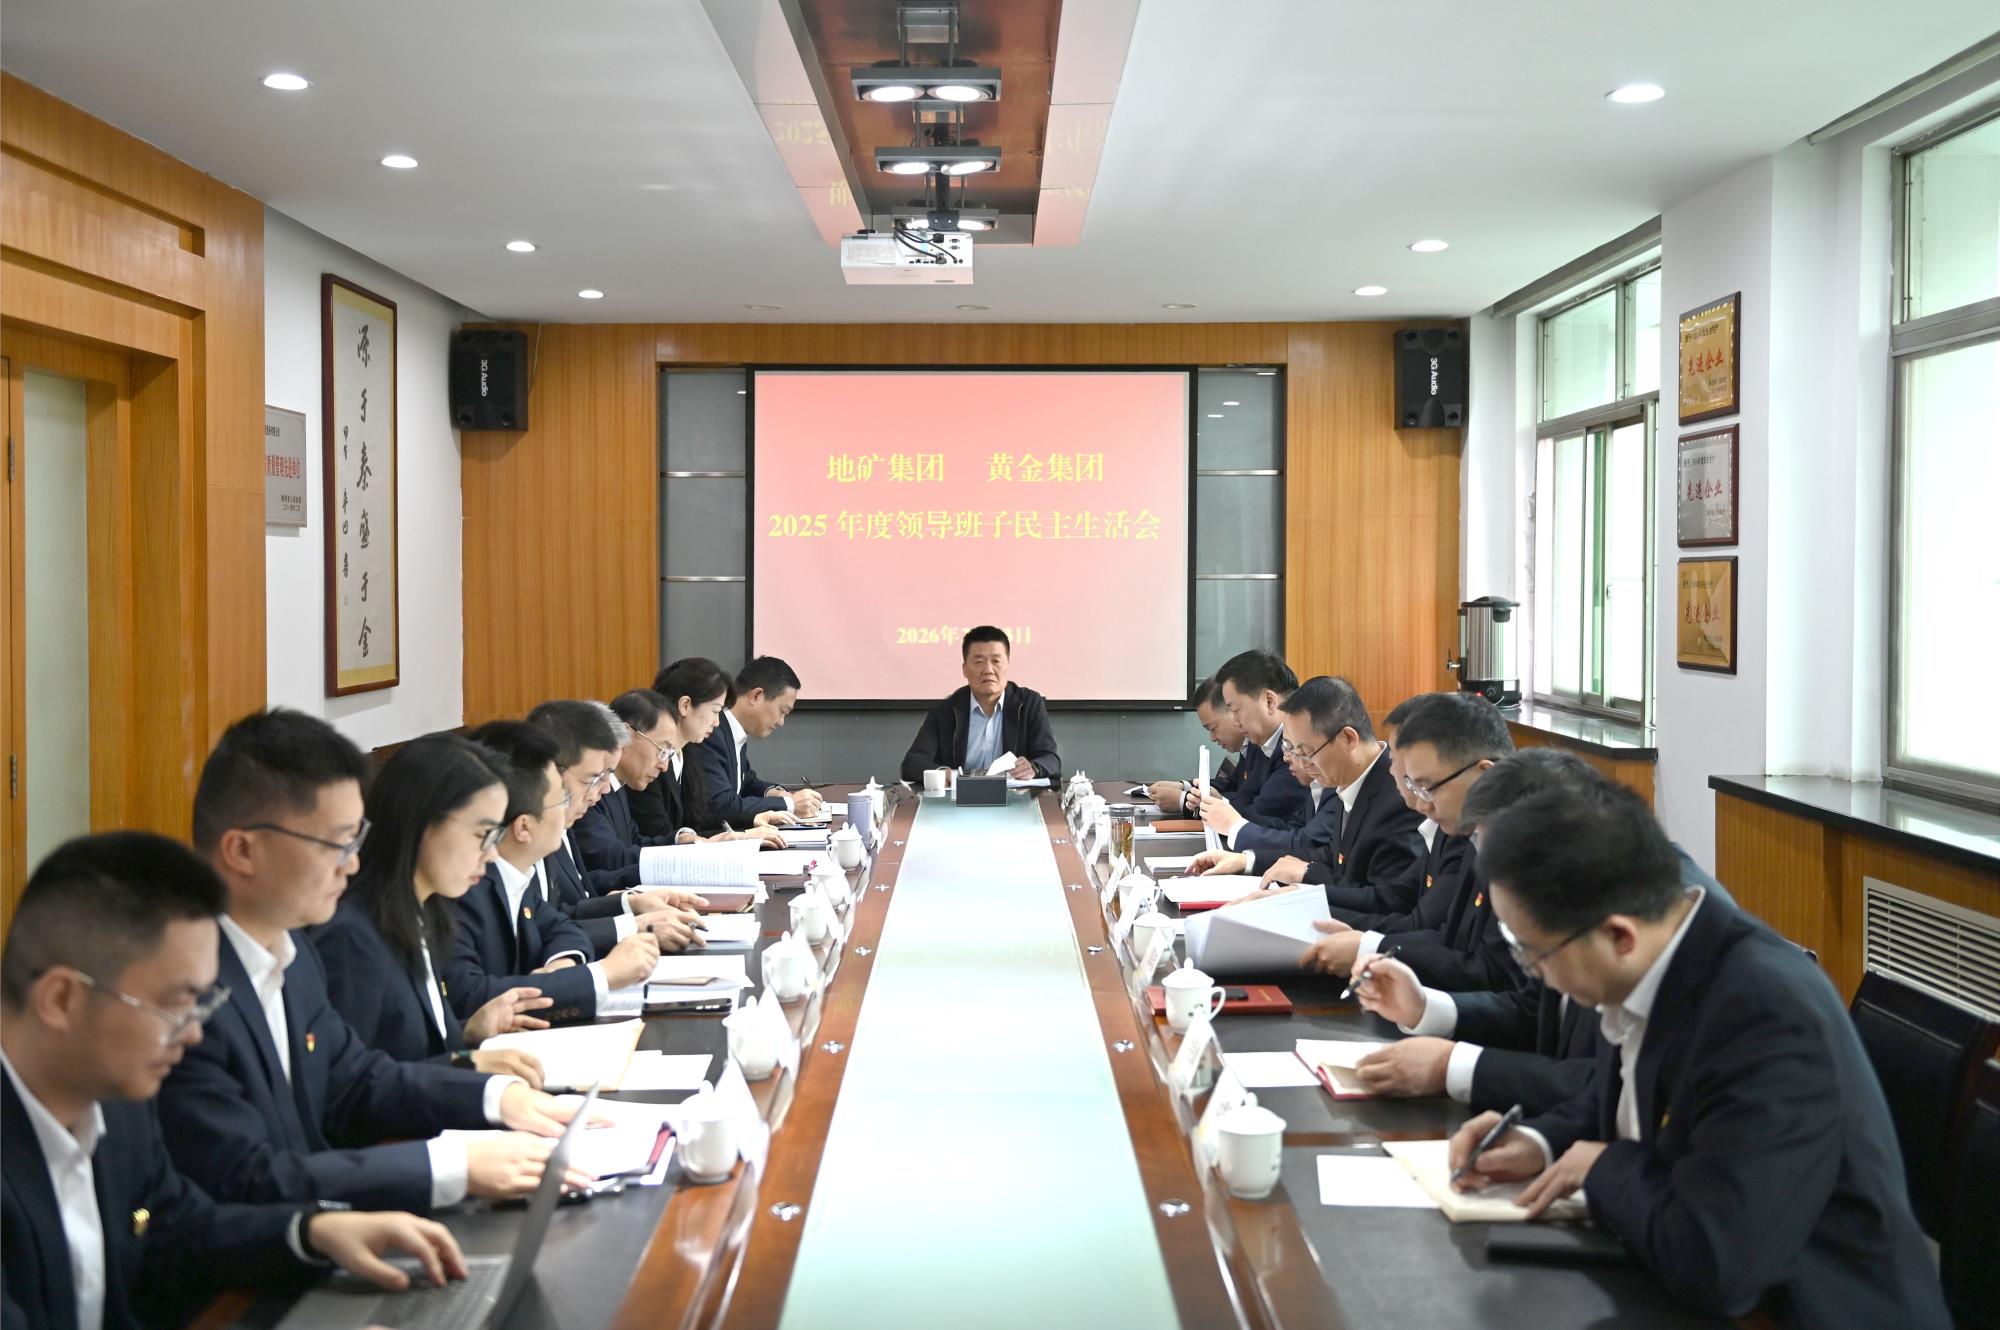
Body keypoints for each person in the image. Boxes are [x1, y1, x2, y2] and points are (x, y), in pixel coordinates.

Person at [1445, 785, 1949, 1329]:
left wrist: (1603, 1167)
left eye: (1532, 953)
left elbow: (1716, 1263)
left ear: (1619, 936)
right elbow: (1630, 1105)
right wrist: (1540, 1141)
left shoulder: (1762, 1013)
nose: (1534, 974)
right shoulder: (1655, 959)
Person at [2, 833, 468, 1329]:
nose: (194, 1032)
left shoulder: (116, 1107)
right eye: (176, 1003)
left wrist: (313, 1232)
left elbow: (182, 1229)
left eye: (203, 1003)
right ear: (62, 1000)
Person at [160, 709, 587, 1214]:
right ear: (242, 851)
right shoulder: (185, 996)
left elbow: (356, 1078)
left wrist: (495, 1096)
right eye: (335, 843)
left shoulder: (292, 955)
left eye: (355, 839)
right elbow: (244, 1177)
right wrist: (450, 1166)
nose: (353, 862)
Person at [307, 734, 555, 1084]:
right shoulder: (352, 937)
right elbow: (354, 1086)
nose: (491, 854)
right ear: (423, 821)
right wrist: (466, 1064)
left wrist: (467, 1031)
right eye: (482, 834)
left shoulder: (423, 911)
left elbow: (406, 1045)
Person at [444, 722, 676, 1029]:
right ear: (523, 826)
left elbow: (560, 925)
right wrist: (601, 975)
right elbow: (468, 997)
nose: (598, 793)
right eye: (561, 800)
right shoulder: (466, 885)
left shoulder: (514, 874)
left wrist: (562, 965)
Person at [1299, 691, 1516, 991]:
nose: (1423, 803)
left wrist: (1368, 946)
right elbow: (1440, 932)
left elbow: (1492, 975)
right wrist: (1308, 910)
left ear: (1484, 776)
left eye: (1427, 786)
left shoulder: (1516, 848)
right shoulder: (1470, 830)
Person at [1185, 677, 1424, 891]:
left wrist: (1304, 883)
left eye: (1305, 752)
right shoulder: (1346, 778)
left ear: (1348, 738)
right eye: (1290, 749)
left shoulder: (1400, 796)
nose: (1296, 761)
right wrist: (1247, 861)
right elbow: (1329, 855)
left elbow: (1387, 898)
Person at [574, 687, 780, 875]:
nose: (664, 766)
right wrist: (696, 851)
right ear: (627, 735)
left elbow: (634, 842)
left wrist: (684, 840)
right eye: (661, 750)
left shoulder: (617, 787)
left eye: (669, 754)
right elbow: (611, 858)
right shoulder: (589, 791)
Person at [629, 659, 796, 842]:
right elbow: (663, 838)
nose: (716, 723)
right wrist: (741, 835)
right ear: (685, 705)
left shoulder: (687, 753)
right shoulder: (652, 763)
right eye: (715, 711)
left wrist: (745, 828)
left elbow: (695, 824)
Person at [898, 626, 1061, 782]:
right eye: (979, 662)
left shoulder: (1029, 704)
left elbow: (1051, 759)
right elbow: (912, 763)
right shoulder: (945, 711)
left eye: (996, 661)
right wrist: (941, 772)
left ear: (1007, 665)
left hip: (1013, 797)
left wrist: (1034, 768)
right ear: (964, 669)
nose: (988, 670)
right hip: (960, 798)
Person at [693, 656, 824, 827]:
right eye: (782, 711)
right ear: (756, 696)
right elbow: (720, 805)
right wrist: (789, 804)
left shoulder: (732, 731)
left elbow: (746, 782)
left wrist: (772, 793)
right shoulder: (711, 735)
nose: (781, 722)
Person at [1194, 649, 1312, 834]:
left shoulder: (1300, 750)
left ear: (1269, 701)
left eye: (1236, 710)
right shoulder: (1260, 742)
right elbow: (1244, 796)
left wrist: (1222, 803)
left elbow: (1260, 814)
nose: (1234, 722)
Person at [1145, 676, 1246, 815]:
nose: (1212, 738)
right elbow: (1232, 785)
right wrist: (1184, 786)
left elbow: (1255, 811)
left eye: (1213, 728)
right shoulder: (1250, 748)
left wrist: (1183, 800)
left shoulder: (1269, 750)